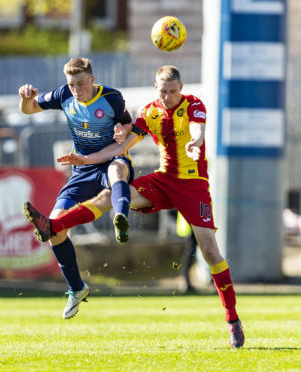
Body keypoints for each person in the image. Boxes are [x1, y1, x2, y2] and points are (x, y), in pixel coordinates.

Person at [24, 65, 245, 348]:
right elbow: (121, 147)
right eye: (163, 91)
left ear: (181, 88)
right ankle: (53, 226)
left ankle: (232, 320)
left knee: (210, 250)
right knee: (109, 195)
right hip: (164, 180)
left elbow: (197, 127)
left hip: (193, 185)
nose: (167, 97)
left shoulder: (194, 104)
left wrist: (196, 140)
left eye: (173, 91)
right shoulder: (150, 112)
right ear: (156, 88)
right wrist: (88, 160)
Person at [19, 57, 133, 319]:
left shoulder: (112, 98)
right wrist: (26, 97)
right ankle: (77, 288)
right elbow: (29, 109)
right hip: (81, 169)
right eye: (71, 85)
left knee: (118, 170)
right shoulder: (63, 95)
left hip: (109, 160)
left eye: (81, 84)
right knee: (54, 229)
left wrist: (121, 130)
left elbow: (129, 124)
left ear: (92, 80)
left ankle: (121, 216)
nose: (76, 90)